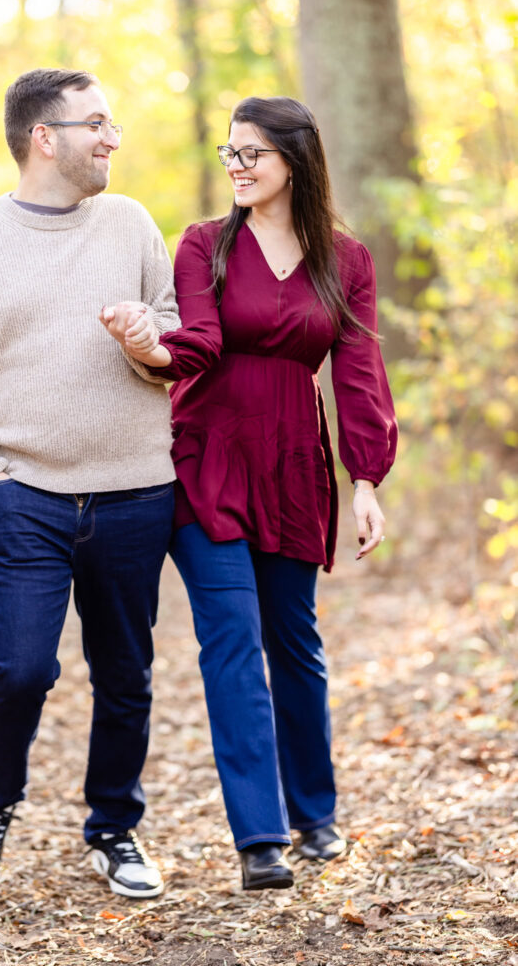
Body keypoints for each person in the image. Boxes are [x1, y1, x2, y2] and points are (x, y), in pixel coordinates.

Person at [101, 96, 398, 891]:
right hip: (208, 456)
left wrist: (364, 482)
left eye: (250, 154)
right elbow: (195, 341)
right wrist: (148, 345)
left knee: (292, 642)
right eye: (229, 153)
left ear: (293, 161)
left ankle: (315, 814)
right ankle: (259, 836)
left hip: (295, 464)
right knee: (231, 639)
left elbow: (360, 379)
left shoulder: (346, 261)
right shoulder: (202, 245)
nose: (234, 167)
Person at [0, 68, 182, 899]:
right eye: (96, 123)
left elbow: (178, 347)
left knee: (126, 673)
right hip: (23, 494)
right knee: (21, 668)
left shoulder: (132, 224)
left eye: (113, 124)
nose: (111, 138)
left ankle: (114, 827)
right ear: (44, 137)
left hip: (136, 491)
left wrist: (148, 341)